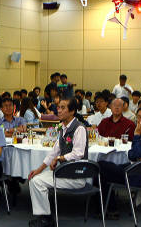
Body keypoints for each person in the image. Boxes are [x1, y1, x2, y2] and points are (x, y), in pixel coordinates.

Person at [27, 97, 88, 227]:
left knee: (37, 182)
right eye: (58, 107)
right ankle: (45, 216)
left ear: (72, 111)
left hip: (76, 176)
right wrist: (38, 170)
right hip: (65, 172)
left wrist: (59, 158)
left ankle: (46, 220)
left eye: (63, 108)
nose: (58, 110)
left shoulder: (79, 128)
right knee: (35, 178)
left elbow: (78, 153)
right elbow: (54, 152)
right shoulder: (63, 128)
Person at [98, 106, 141, 219]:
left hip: (139, 175)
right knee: (102, 169)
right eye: (139, 117)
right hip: (137, 169)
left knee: (100, 166)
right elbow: (133, 154)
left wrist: (136, 135)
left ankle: (109, 208)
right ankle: (109, 208)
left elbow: (134, 154)